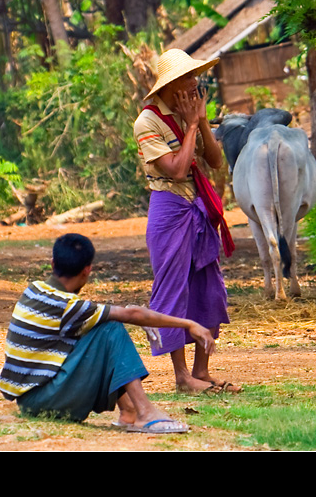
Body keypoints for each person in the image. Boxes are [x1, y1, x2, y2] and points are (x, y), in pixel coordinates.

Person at [0, 233, 215, 433]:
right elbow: (130, 315)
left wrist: (130, 314)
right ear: (87, 270)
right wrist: (188, 324)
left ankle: (129, 412)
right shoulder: (69, 307)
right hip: (45, 402)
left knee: (102, 326)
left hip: (29, 400)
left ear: (53, 264)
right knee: (111, 329)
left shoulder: (34, 290)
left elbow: (115, 314)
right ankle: (144, 413)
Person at [132, 49, 239, 394]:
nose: (195, 84)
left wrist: (202, 121)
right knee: (173, 289)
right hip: (169, 209)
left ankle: (202, 371)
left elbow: (215, 161)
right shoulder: (147, 122)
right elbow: (177, 169)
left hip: (197, 207)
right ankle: (181, 377)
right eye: (189, 78)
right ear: (172, 85)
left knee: (208, 288)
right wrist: (192, 124)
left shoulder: (190, 114)